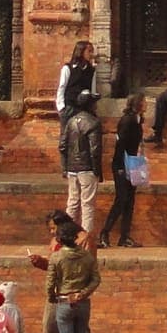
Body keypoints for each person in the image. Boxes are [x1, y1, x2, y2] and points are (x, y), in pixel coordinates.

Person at [47, 211, 100, 333]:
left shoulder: (57, 257)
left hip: (64, 300)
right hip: (82, 301)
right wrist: (83, 293)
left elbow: (50, 282)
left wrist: (51, 296)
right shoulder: (87, 256)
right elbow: (96, 279)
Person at [101, 94, 145, 248]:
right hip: (122, 164)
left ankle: (124, 236)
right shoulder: (127, 121)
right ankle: (105, 233)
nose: (145, 104)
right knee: (121, 199)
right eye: (143, 101)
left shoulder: (138, 120)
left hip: (132, 163)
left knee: (130, 201)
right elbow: (121, 145)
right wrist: (120, 166)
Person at [59, 89, 103, 239]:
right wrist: (97, 170)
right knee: (87, 205)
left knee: (72, 203)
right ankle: (86, 239)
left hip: (72, 168)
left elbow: (63, 145)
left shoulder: (71, 121)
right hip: (87, 168)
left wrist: (65, 167)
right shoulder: (93, 122)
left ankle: (65, 236)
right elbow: (95, 150)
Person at [56, 40, 97, 121]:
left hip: (85, 109)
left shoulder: (91, 70)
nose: (91, 54)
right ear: (81, 52)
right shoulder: (68, 68)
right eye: (89, 51)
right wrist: (61, 107)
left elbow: (92, 88)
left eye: (92, 51)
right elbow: (62, 87)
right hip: (70, 107)